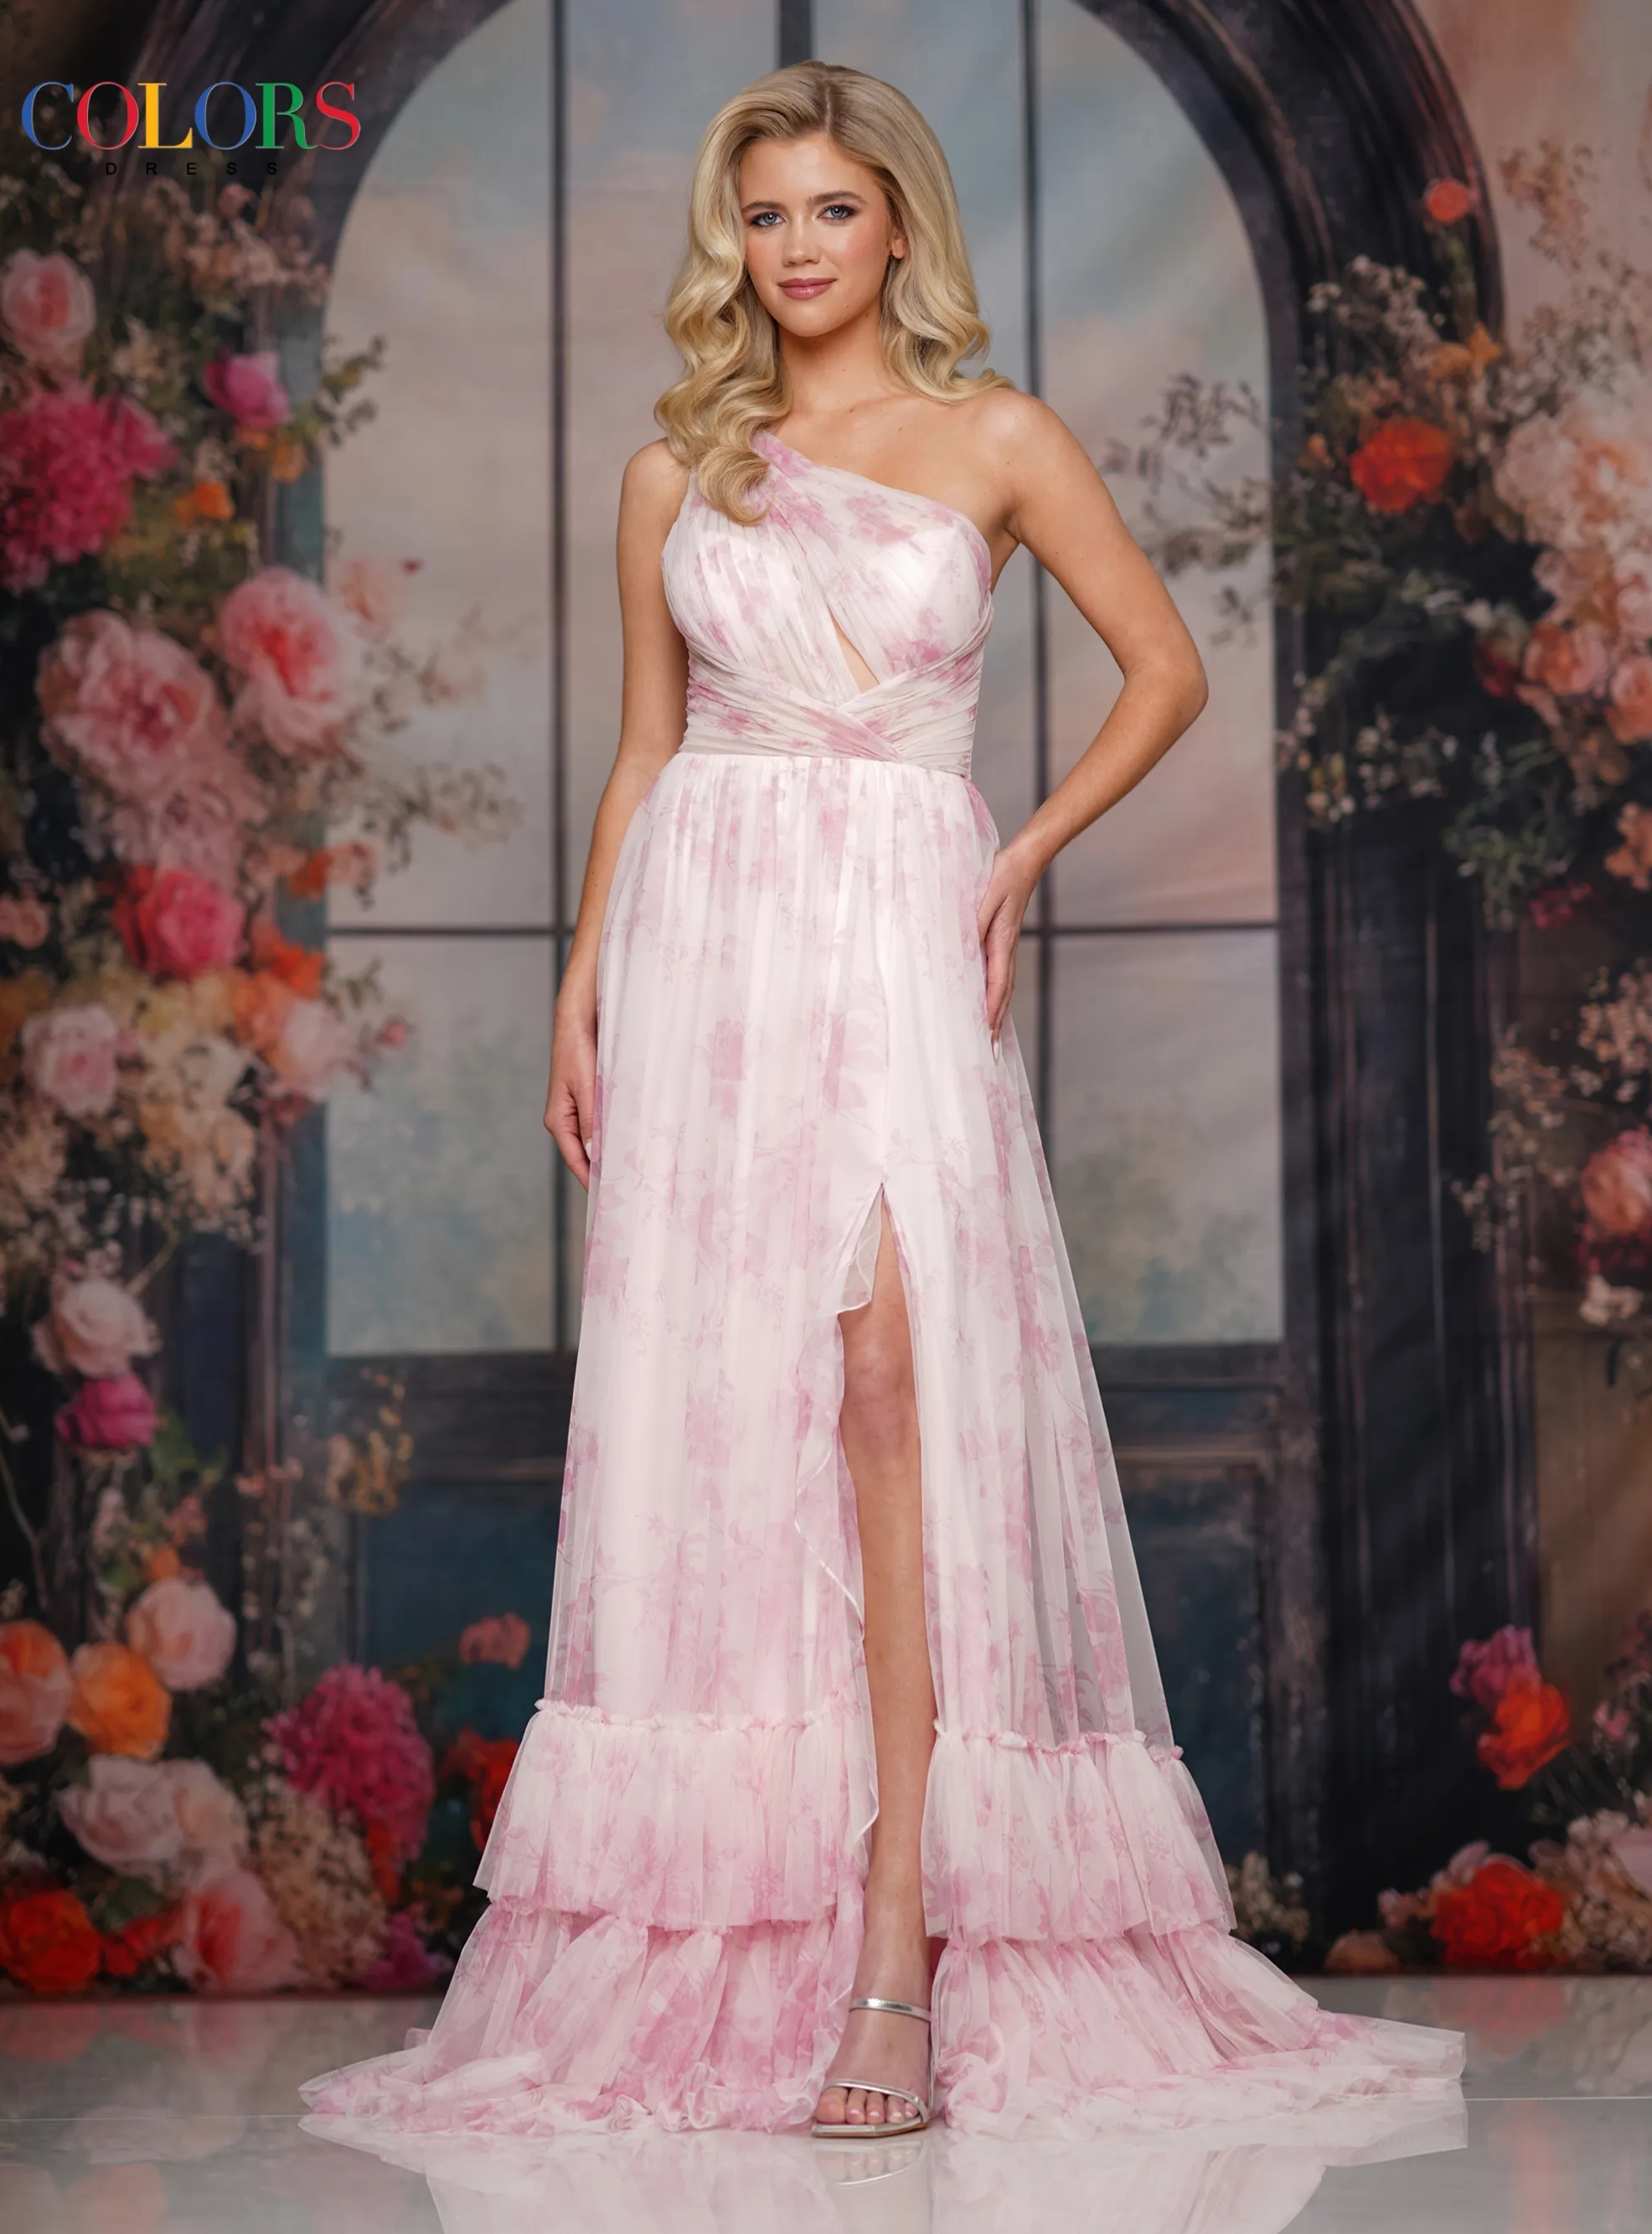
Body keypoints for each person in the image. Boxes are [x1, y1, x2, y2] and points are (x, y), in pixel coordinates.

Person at [303, 59, 1462, 2141]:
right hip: (710, 941)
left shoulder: (997, 436)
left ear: (897, 223)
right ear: (730, 242)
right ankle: (741, 1927)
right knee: (737, 1415)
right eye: (763, 215)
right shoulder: (674, 470)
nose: (796, 246)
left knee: (884, 1381)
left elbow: (1167, 666)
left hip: (896, 917)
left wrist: (1017, 860)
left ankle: (900, 1939)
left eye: (831, 208)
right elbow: (645, 751)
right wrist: (579, 984)